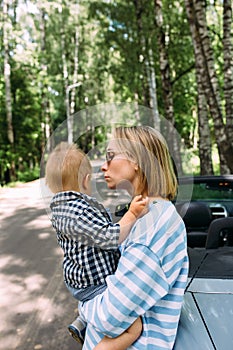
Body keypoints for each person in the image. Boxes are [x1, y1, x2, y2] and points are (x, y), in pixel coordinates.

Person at [78, 125, 189, 349]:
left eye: (110, 157)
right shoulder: (146, 216)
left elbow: (110, 316)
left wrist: (83, 301)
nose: (103, 166)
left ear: (136, 160)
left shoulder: (155, 225)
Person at [45, 142, 148, 349]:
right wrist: (132, 214)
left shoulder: (59, 208)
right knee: (135, 326)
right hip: (94, 282)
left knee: (92, 303)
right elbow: (109, 237)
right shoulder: (80, 211)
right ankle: (105, 346)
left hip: (79, 280)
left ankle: (82, 321)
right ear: (86, 180)